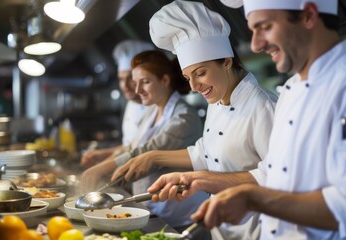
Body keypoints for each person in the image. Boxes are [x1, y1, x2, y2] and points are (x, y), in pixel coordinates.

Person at [147, 0, 346, 239]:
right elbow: (269, 174)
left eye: (265, 26)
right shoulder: (292, 89)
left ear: (309, 15)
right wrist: (201, 179)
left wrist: (254, 199)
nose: (256, 45)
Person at [111, 1, 277, 239]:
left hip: (256, 231)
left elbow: (275, 177)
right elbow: (204, 152)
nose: (194, 86)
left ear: (227, 61)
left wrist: (202, 180)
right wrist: (153, 157)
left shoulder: (263, 107)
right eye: (188, 77)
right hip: (221, 229)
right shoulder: (218, 99)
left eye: (201, 73)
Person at [81, 50, 209, 235]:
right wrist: (103, 161)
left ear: (165, 80)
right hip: (151, 210)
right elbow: (132, 147)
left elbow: (146, 152)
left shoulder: (184, 118)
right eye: (135, 83)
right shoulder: (152, 111)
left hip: (178, 219)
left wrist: (101, 170)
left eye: (145, 82)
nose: (137, 90)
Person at [80, 40, 154, 168]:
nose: (124, 86)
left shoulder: (158, 106)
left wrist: (104, 166)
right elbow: (130, 146)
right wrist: (101, 155)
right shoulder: (131, 104)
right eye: (120, 79)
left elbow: (144, 150)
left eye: (130, 78)